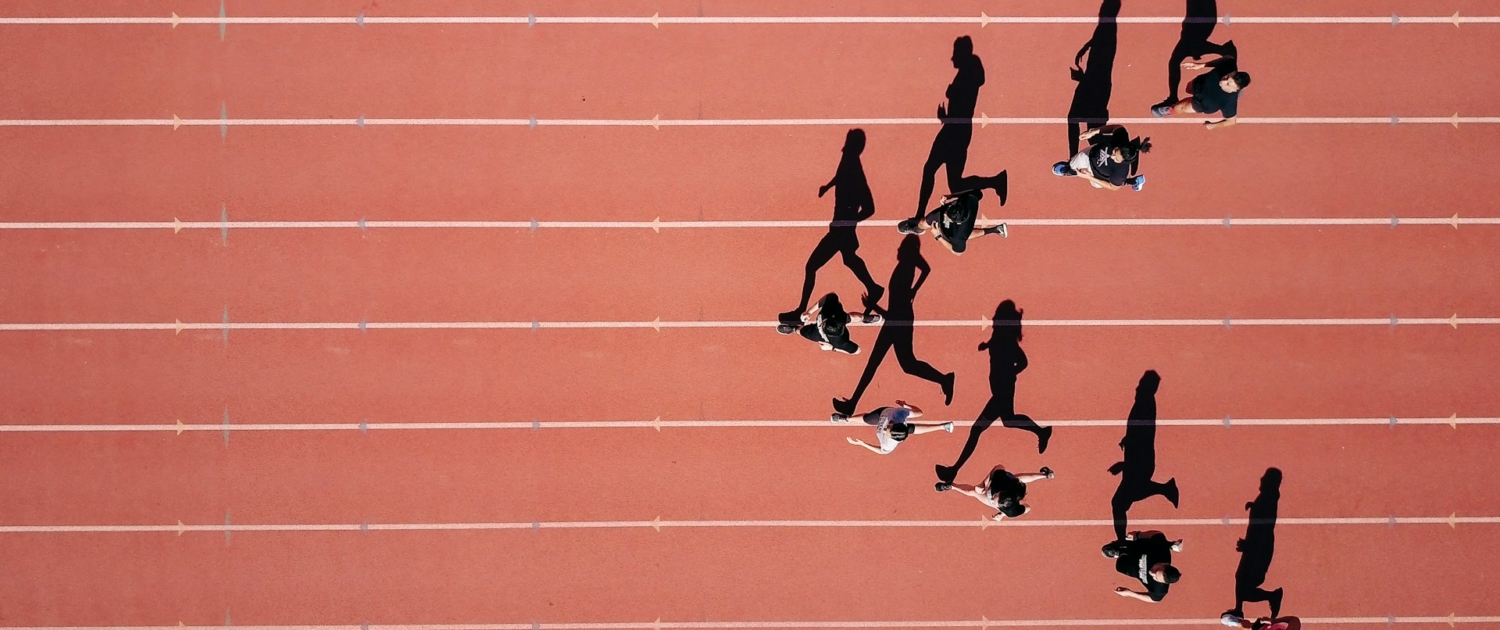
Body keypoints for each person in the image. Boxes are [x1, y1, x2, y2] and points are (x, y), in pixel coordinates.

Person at [832, 236, 954, 416]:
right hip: (898, 320)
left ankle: (852, 404)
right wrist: (914, 290)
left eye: (901, 248)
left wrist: (874, 306)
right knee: (905, 364)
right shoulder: (908, 265)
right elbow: (926, 269)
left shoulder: (905, 268)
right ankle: (944, 379)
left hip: (899, 321)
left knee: (885, 364)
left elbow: (895, 312)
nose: (898, 250)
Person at [777, 129, 885, 331]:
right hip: (840, 229)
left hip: (840, 231)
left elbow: (870, 208)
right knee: (849, 259)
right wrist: (828, 186)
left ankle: (801, 312)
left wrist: (849, 221)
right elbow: (841, 175)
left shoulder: (855, 169)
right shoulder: (848, 161)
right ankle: (873, 287)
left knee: (811, 266)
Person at [935, 300, 1052, 484]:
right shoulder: (998, 337)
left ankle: (954, 470)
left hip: (1002, 391)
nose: (994, 318)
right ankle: (1041, 432)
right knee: (1008, 421)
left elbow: (1023, 362)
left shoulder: (1008, 342)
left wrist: (1009, 373)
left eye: (997, 316)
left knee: (976, 430)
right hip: (1000, 388)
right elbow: (997, 346)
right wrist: (987, 346)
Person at [912, 36, 1008, 224]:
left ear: (963, 53)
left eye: (955, 53)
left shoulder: (968, 74)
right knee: (954, 183)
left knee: (930, 169)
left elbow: (962, 102)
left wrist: (946, 116)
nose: (952, 58)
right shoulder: (969, 72)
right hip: (959, 130)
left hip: (954, 131)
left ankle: (919, 216)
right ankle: (995, 181)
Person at [1151, 53, 1250, 130]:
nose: (1223, 81)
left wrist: (1213, 126)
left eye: (1228, 84)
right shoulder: (1229, 65)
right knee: (1188, 89)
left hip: (1202, 103)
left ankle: (1169, 111)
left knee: (1179, 107)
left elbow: (1231, 121)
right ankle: (1190, 94)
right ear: (1233, 72)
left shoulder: (1229, 102)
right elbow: (1226, 59)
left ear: (1236, 90)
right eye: (1227, 77)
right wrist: (1202, 65)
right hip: (1200, 83)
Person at [896, 188, 1007, 256]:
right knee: (924, 221)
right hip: (961, 226)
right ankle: (917, 229)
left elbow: (957, 252)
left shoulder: (958, 236)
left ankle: (995, 230)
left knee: (962, 237)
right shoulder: (970, 199)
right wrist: (951, 196)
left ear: (956, 222)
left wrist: (938, 236)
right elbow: (976, 192)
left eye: (947, 215)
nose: (944, 214)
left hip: (954, 233)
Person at [935, 464, 1054, 521]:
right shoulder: (1000, 480)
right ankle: (1044, 475)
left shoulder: (1012, 512)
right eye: (995, 496)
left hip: (1010, 495)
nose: (992, 499)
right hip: (1006, 482)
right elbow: (999, 466)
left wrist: (1003, 515)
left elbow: (1028, 508)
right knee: (1017, 478)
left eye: (995, 502)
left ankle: (952, 486)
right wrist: (983, 484)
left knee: (973, 493)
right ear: (1001, 492)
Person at [835, 400, 953, 454]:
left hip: (893, 425)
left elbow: (881, 451)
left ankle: (943, 427)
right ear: (898, 423)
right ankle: (846, 419)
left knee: (913, 430)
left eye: (887, 430)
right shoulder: (899, 414)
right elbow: (919, 412)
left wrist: (862, 444)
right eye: (889, 426)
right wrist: (906, 405)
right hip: (883, 413)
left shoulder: (888, 445)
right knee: (867, 419)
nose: (885, 428)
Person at [1053, 125, 1149, 191]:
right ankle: (1071, 169)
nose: (1111, 156)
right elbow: (1116, 128)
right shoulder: (1121, 137)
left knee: (1101, 184)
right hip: (1089, 155)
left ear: (1124, 162)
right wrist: (1093, 132)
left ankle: (1131, 181)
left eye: (1116, 159)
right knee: (1073, 165)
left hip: (1097, 176)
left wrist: (1090, 177)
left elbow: (1113, 187)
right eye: (1115, 151)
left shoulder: (1121, 171)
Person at [1104, 530, 1184, 602]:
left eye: (1155, 577)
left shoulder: (1160, 589)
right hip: (1139, 549)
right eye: (1156, 570)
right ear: (1164, 564)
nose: (1152, 573)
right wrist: (1138, 535)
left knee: (1119, 567)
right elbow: (1157, 534)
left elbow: (1154, 599)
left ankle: (1120, 554)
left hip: (1133, 569)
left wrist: (1130, 593)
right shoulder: (1160, 551)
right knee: (1106, 549)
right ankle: (1170, 545)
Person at [788, 293, 872, 355]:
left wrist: (832, 348)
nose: (820, 324)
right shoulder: (832, 314)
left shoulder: (839, 342)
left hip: (817, 335)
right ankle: (865, 318)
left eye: (821, 324)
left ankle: (794, 329)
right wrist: (809, 312)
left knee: (801, 331)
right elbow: (830, 296)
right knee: (851, 317)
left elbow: (857, 351)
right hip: (835, 326)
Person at [1221, 615, 1300, 630]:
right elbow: (1294, 620)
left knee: (1248, 627)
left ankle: (1238, 623)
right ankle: (1238, 622)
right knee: (1248, 625)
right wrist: (1275, 620)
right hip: (1270, 627)